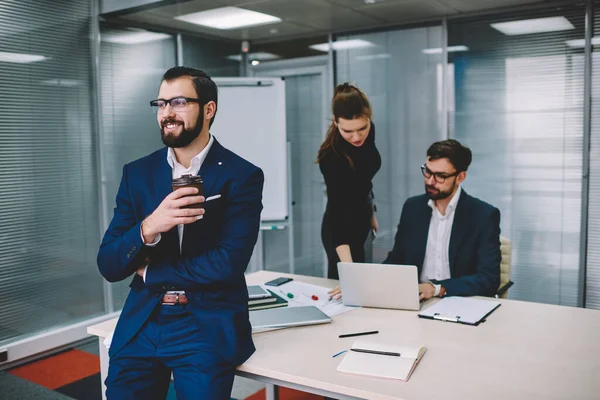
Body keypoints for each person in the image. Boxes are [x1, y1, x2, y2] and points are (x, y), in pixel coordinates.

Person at [97, 66, 264, 399]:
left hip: (204, 323)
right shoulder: (138, 174)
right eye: (160, 104)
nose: (167, 114)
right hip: (144, 319)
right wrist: (149, 227)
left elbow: (227, 264)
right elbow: (110, 263)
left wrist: (152, 271)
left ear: (208, 109)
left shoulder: (241, 175)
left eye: (178, 103)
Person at [384, 139, 501, 299]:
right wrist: (368, 282)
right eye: (428, 172)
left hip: (459, 302)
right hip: (415, 301)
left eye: (440, 176)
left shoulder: (483, 215)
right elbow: (397, 260)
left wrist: (438, 289)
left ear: (460, 177)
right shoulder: (413, 207)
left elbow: (489, 279)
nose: (430, 181)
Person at [317, 83, 381, 298]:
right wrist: (348, 269)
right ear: (335, 123)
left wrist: (370, 210)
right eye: (347, 131)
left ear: (369, 118)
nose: (356, 137)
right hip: (339, 232)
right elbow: (337, 212)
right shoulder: (332, 157)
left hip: (361, 218)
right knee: (346, 289)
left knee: (361, 288)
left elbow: (364, 180)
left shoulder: (368, 132)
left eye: (362, 128)